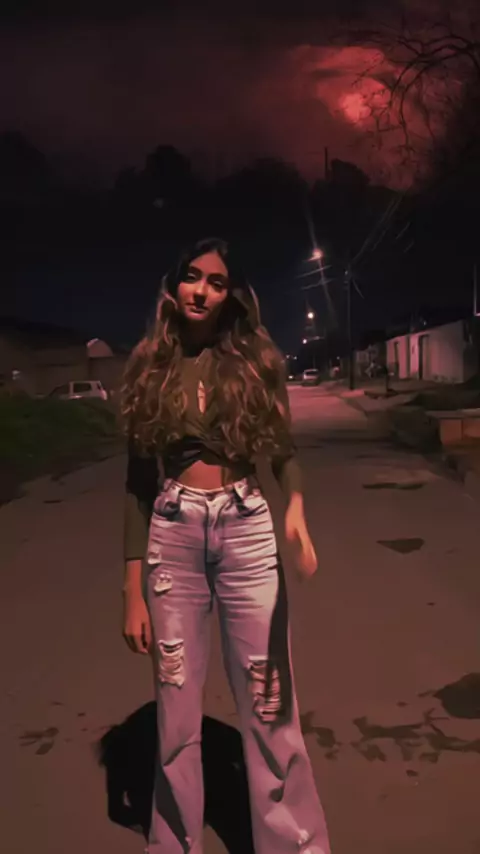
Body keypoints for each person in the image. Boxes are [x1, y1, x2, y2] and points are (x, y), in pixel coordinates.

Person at [120, 237, 331, 854]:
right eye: (192, 277)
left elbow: (284, 455)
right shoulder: (149, 369)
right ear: (173, 286)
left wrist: (295, 507)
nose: (202, 291)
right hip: (172, 538)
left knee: (270, 706)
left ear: (230, 295)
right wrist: (130, 590)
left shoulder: (253, 362)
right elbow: (137, 484)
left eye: (216, 282)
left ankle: (293, 845)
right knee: (176, 718)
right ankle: (175, 844)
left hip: (246, 532)